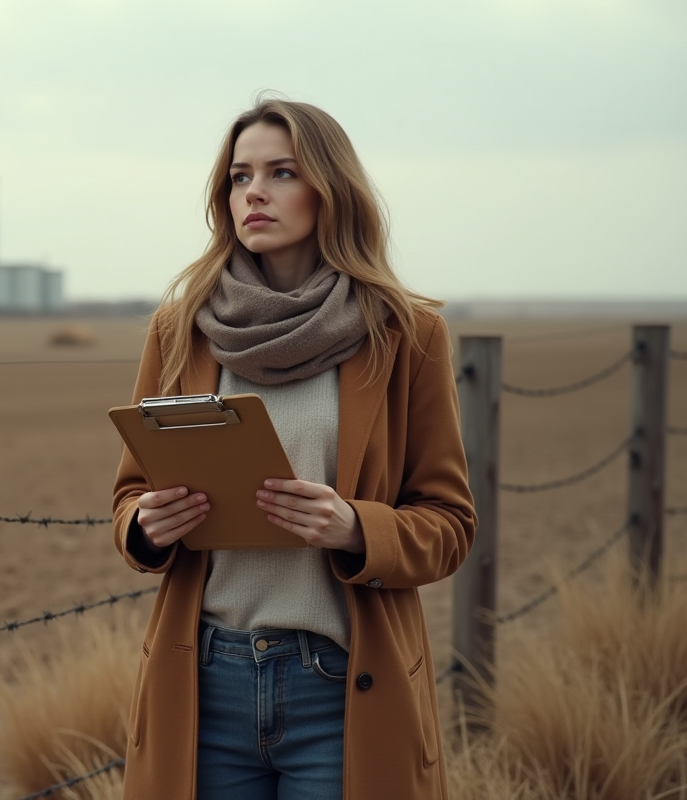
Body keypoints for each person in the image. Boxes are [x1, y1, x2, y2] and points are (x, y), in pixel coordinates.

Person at [111, 97, 476, 800]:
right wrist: (147, 526)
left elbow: (450, 526)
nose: (255, 191)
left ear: (329, 189)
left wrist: (355, 527)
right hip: (205, 682)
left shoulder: (407, 334)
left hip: (342, 685)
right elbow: (130, 497)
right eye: (239, 176)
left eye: (281, 172)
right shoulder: (179, 329)